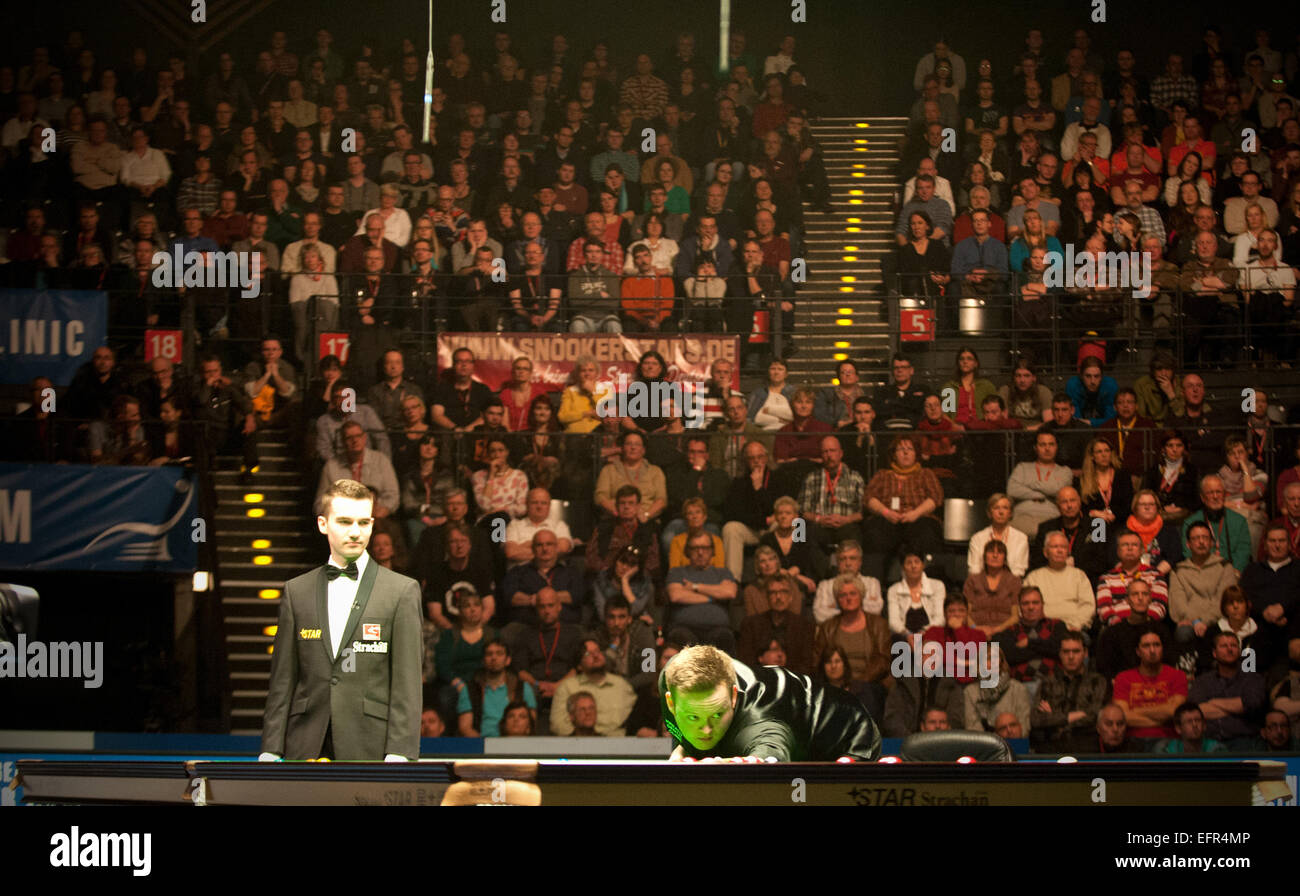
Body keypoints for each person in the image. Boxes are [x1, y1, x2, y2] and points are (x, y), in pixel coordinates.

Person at [260, 479, 422, 761]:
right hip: (305, 741)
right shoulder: (296, 591)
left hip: (371, 743)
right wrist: (271, 748)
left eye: (364, 522)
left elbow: (407, 683)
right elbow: (283, 681)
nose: (356, 532)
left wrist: (400, 751)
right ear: (323, 524)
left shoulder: (402, 591)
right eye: (345, 522)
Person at [659, 644, 883, 761]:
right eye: (692, 717)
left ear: (734, 696)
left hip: (849, 735)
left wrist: (729, 766)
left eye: (717, 715)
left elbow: (771, 757)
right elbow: (680, 734)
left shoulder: (759, 722)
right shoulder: (670, 679)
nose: (706, 729)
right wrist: (684, 748)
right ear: (671, 702)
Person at [862, 435, 945, 583]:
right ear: (894, 454)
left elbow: (936, 498)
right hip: (887, 520)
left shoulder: (926, 474)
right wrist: (886, 513)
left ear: (916, 454)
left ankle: (930, 585)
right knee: (874, 532)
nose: (905, 453)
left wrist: (916, 513)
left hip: (918, 519)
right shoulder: (882, 475)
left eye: (910, 449)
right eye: (901, 449)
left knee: (928, 532)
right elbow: (868, 498)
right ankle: (874, 586)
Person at [1187, 631, 1268, 749]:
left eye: (1234, 646)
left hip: (1245, 741)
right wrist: (1237, 707)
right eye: (1224, 646)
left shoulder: (1253, 679)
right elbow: (1197, 711)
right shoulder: (1202, 681)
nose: (1229, 649)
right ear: (1214, 653)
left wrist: (1213, 702)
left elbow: (1252, 704)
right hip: (1209, 742)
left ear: (1239, 652)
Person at [1030, 632, 1108, 751]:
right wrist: (1069, 717)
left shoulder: (1097, 681)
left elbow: (1095, 717)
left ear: (1085, 653)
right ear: (1060, 654)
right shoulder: (1048, 682)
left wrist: (1054, 717)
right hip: (1052, 745)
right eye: (1066, 652)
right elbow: (1036, 719)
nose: (1071, 657)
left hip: (1086, 745)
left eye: (1076, 651)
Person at [665, 532, 738, 652]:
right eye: (695, 548)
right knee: (680, 637)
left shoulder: (723, 573)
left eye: (705, 548)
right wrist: (714, 596)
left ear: (712, 551)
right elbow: (676, 595)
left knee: (724, 637)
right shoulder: (677, 572)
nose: (700, 553)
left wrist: (695, 587)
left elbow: (730, 592)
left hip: (718, 630)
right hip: (684, 629)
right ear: (687, 551)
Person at [550, 638, 638, 736]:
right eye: (588, 654)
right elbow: (557, 725)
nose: (596, 655)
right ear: (579, 665)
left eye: (597, 651)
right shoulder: (567, 687)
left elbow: (635, 721)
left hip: (617, 745)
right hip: (578, 745)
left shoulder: (621, 685)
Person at [1113, 629, 1187, 742]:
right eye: (1146, 646)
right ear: (1138, 651)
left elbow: (1174, 711)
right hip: (1133, 740)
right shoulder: (1123, 678)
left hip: (1168, 740)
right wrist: (1163, 718)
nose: (1152, 650)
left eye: (1156, 645)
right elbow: (1122, 717)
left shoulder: (1177, 676)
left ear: (1162, 648)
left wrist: (1134, 711)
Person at [456, 639, 537, 736]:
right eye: (489, 654)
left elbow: (530, 726)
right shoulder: (469, 689)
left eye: (499, 653)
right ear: (483, 661)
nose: (494, 657)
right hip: (481, 745)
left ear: (508, 660)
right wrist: (484, 747)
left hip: (514, 744)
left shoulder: (523, 688)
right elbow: (465, 728)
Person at [736, 576, 816, 676]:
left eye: (783, 592)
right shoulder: (751, 624)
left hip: (794, 683)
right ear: (767, 597)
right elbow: (745, 663)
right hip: (760, 682)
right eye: (773, 593)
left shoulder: (804, 626)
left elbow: (806, 664)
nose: (778, 597)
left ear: (790, 597)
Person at [1022, 532, 1096, 632]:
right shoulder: (1033, 577)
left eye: (1063, 547)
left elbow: (1088, 606)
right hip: (1041, 630)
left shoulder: (1079, 576)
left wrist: (1076, 625)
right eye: (1055, 546)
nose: (1059, 550)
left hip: (1073, 630)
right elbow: (1024, 606)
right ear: (1045, 552)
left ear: (1068, 552)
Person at [1096, 531, 1171, 626]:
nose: (1130, 548)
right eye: (1125, 545)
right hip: (1117, 629)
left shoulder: (1156, 575)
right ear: (1118, 551)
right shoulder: (1106, 578)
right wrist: (1121, 625)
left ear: (1142, 550)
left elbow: (1159, 607)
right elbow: (1103, 609)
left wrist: (1142, 622)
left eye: (1134, 545)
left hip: (1148, 626)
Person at [1007, 431, 1073, 538]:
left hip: (1051, 517)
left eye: (1051, 444)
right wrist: (1040, 495)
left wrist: (1030, 483)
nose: (1047, 448)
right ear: (1035, 448)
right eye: (1042, 445)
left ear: (1057, 447)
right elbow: (1012, 489)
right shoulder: (1022, 467)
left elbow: (1058, 490)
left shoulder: (1065, 471)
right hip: (1022, 516)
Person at [962, 540, 1021, 637]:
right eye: (991, 552)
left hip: (1004, 631)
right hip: (975, 630)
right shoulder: (972, 580)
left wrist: (995, 630)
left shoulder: (1014, 581)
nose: (995, 555)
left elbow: (1015, 617)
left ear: (1005, 558)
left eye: (1000, 552)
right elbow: (964, 613)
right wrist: (976, 629)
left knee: (996, 648)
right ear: (984, 557)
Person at [967, 493, 1030, 578]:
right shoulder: (977, 538)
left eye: (1005, 508)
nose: (1001, 512)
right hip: (982, 586)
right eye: (996, 508)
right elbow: (974, 570)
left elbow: (1019, 571)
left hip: (1011, 586)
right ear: (989, 513)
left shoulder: (1021, 538)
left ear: (1010, 513)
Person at [887, 550, 946, 638]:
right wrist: (908, 635)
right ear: (903, 567)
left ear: (923, 565)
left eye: (917, 562)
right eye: (909, 562)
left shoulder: (937, 586)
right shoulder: (893, 590)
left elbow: (940, 619)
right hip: (903, 638)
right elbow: (893, 622)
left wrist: (923, 633)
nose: (913, 566)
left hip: (931, 636)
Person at [1156, 702, 1227, 754]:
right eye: (1189, 721)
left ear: (1204, 725)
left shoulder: (1217, 750)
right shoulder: (1167, 750)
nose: (1195, 725)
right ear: (1178, 729)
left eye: (1198, 720)